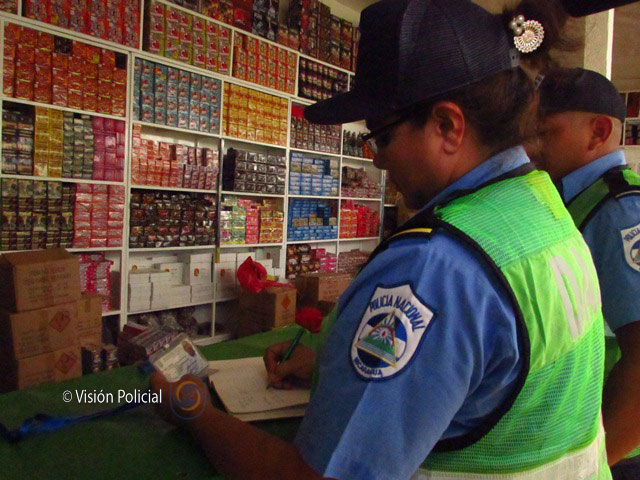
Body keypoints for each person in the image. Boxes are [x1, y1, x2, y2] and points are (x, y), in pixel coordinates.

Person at [151, 0, 612, 478]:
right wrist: (333, 369)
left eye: (382, 136)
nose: (376, 159)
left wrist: (193, 411)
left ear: (447, 126)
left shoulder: (433, 267)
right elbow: (493, 375)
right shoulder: (543, 210)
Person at [534, 67, 640, 479]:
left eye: (545, 133)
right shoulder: (578, 200)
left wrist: (593, 467)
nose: (532, 148)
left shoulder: (619, 211)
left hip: (615, 452)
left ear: (598, 132)